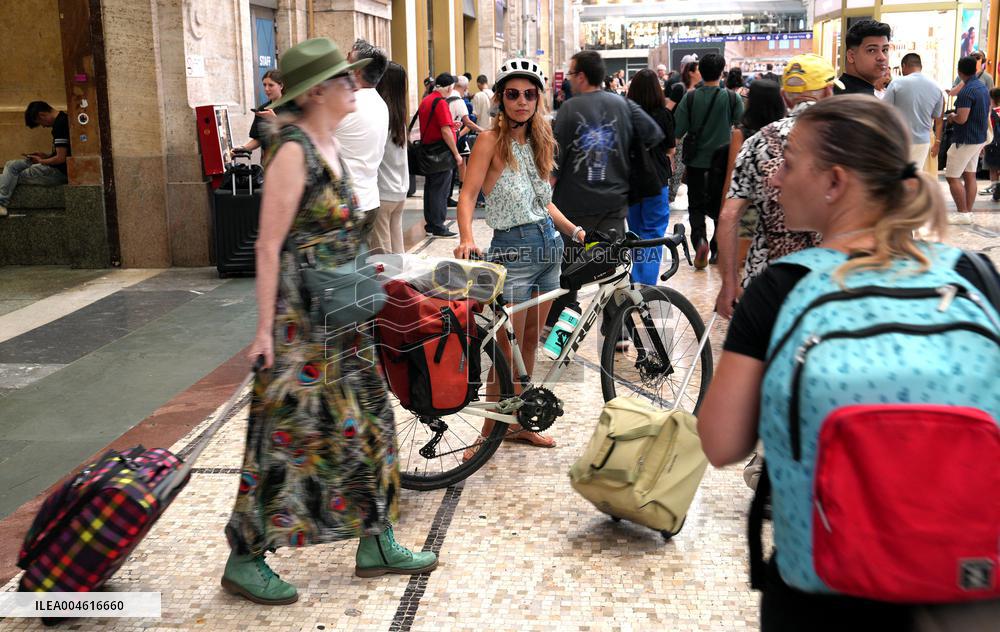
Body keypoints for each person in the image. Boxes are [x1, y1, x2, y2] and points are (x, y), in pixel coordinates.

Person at [698, 93, 1000, 632]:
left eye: (788, 165)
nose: (774, 179)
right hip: (966, 590)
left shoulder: (784, 287)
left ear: (835, 182)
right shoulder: (976, 276)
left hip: (823, 593)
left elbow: (721, 444)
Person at [223, 37, 437, 606]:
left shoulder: (329, 139)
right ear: (316, 91)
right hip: (300, 324)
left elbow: (332, 230)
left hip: (340, 314)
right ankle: (245, 557)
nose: (355, 86)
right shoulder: (293, 150)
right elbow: (269, 246)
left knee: (369, 422)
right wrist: (265, 330)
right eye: (344, 79)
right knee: (287, 439)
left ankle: (377, 540)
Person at [454, 58, 583, 455]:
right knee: (503, 351)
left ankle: (520, 424)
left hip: (548, 250)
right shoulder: (490, 141)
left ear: (538, 98)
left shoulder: (541, 139)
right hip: (513, 250)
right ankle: (489, 432)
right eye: (513, 94)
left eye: (529, 94)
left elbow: (544, 203)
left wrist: (576, 232)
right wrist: (465, 237)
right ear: (501, 99)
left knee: (528, 344)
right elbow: (469, 195)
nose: (521, 102)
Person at [544, 50, 663, 333]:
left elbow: (554, 163)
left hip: (573, 209)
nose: (570, 79)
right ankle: (617, 331)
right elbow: (654, 133)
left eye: (572, 73)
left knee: (568, 271)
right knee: (612, 271)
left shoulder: (570, 110)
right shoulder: (623, 104)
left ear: (582, 76)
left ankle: (558, 329)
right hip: (613, 204)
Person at [714, 54, 839, 320]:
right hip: (830, 282)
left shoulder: (757, 141)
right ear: (829, 92)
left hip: (766, 282)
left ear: (785, 97)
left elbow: (728, 215)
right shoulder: (847, 138)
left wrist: (728, 283)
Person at [674, 52, 744, 268]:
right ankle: (717, 249)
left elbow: (678, 130)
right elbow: (741, 126)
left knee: (695, 206)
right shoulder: (732, 98)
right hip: (723, 163)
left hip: (696, 162)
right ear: (722, 71)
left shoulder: (691, 97)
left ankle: (700, 242)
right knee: (720, 207)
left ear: (700, 72)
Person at [715, 78, 786, 279]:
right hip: (776, 210)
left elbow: (732, 175)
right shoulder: (785, 130)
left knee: (743, 268)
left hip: (747, 209)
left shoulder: (742, 133)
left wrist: (724, 211)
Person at [625, 69, 676, 286]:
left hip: (630, 182)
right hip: (656, 180)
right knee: (653, 234)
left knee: (635, 235)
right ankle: (645, 286)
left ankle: (635, 282)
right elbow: (671, 150)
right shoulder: (663, 114)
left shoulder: (626, 114)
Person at [334, 39, 389, 234]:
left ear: (358, 70)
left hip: (346, 205)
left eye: (348, 60)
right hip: (369, 199)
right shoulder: (380, 103)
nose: (343, 65)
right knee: (360, 262)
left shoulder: (347, 105)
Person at [0, 102, 71, 217]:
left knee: (10, 173)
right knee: (10, 167)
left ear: (41, 115)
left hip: (58, 173)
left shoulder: (60, 125)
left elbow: (61, 158)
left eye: (40, 123)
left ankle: (1, 203)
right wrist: (45, 156)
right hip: (54, 169)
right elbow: (63, 154)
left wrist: (41, 161)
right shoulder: (63, 119)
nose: (43, 126)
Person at [417, 73, 462, 237]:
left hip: (428, 150)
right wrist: (456, 154)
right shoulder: (440, 102)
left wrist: (451, 126)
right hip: (441, 153)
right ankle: (438, 225)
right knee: (440, 190)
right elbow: (444, 131)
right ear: (450, 87)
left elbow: (438, 125)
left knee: (431, 189)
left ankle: (431, 223)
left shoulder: (427, 100)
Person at [945, 55, 991, 214]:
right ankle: (967, 212)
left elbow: (962, 118)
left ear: (959, 71)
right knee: (970, 175)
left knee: (952, 177)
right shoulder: (982, 87)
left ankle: (963, 212)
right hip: (979, 137)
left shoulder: (966, 92)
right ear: (976, 69)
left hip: (965, 139)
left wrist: (952, 117)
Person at [883, 53, 945, 169]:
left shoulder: (896, 83)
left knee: (897, 174)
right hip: (923, 141)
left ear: (904, 66)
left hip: (899, 139)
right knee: (914, 176)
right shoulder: (936, 87)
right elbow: (936, 115)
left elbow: (884, 110)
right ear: (920, 66)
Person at [372, 62, 409, 254]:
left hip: (382, 190)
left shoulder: (379, 115)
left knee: (382, 255)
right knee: (397, 249)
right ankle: (401, 282)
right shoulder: (399, 115)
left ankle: (389, 284)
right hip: (399, 190)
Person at [447, 75, 486, 207]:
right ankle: (450, 195)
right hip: (454, 138)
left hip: (447, 137)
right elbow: (469, 122)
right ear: (462, 87)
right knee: (456, 166)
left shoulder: (444, 98)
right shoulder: (459, 101)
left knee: (453, 167)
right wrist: (483, 131)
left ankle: (447, 196)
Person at [233, 70, 285, 158]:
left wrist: (275, 120)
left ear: (281, 86)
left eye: (271, 85)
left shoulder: (291, 106)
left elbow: (295, 135)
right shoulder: (262, 109)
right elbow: (258, 139)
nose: (266, 89)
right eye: (264, 85)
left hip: (287, 160)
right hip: (268, 160)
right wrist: (242, 149)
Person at [834, 19, 891, 96]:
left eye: (885, 50)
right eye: (871, 50)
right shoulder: (865, 103)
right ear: (851, 56)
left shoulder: (836, 90)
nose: (882, 57)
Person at [982, 87, 1000, 198]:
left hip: (993, 144)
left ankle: (995, 191)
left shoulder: (991, 113)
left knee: (993, 169)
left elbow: (988, 130)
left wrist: (984, 146)